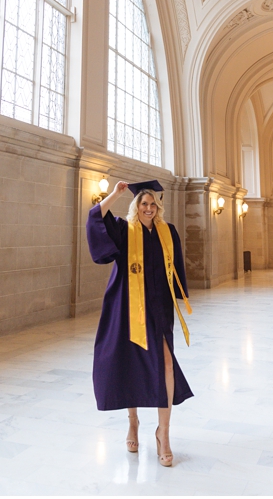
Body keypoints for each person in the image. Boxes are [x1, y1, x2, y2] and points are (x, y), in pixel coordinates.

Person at [86, 179, 193, 468]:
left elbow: (176, 269)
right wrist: (115, 193)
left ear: (158, 207)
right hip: (127, 306)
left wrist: (180, 295)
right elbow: (95, 217)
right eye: (143, 204)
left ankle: (163, 433)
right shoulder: (123, 229)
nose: (148, 208)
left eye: (152, 204)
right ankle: (133, 422)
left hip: (158, 308)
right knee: (131, 362)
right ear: (137, 206)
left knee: (166, 363)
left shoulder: (167, 232)